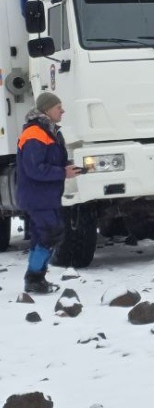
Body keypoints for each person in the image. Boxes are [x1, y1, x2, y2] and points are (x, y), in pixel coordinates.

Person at [17, 92, 81, 295]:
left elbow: (48, 163)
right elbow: (34, 169)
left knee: (42, 235)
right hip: (38, 196)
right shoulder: (35, 133)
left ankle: (35, 278)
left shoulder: (50, 131)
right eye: (58, 107)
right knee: (50, 233)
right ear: (46, 110)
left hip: (45, 196)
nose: (62, 111)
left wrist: (70, 166)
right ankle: (34, 277)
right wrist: (63, 172)